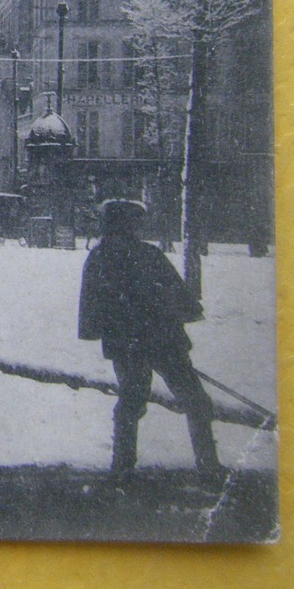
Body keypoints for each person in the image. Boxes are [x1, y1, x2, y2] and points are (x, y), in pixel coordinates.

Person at [78, 199, 224, 483]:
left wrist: (104, 332)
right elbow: (179, 299)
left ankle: (122, 467)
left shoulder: (99, 257)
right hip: (163, 342)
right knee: (195, 401)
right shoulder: (148, 255)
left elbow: (91, 309)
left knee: (131, 402)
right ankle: (208, 466)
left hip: (127, 345)